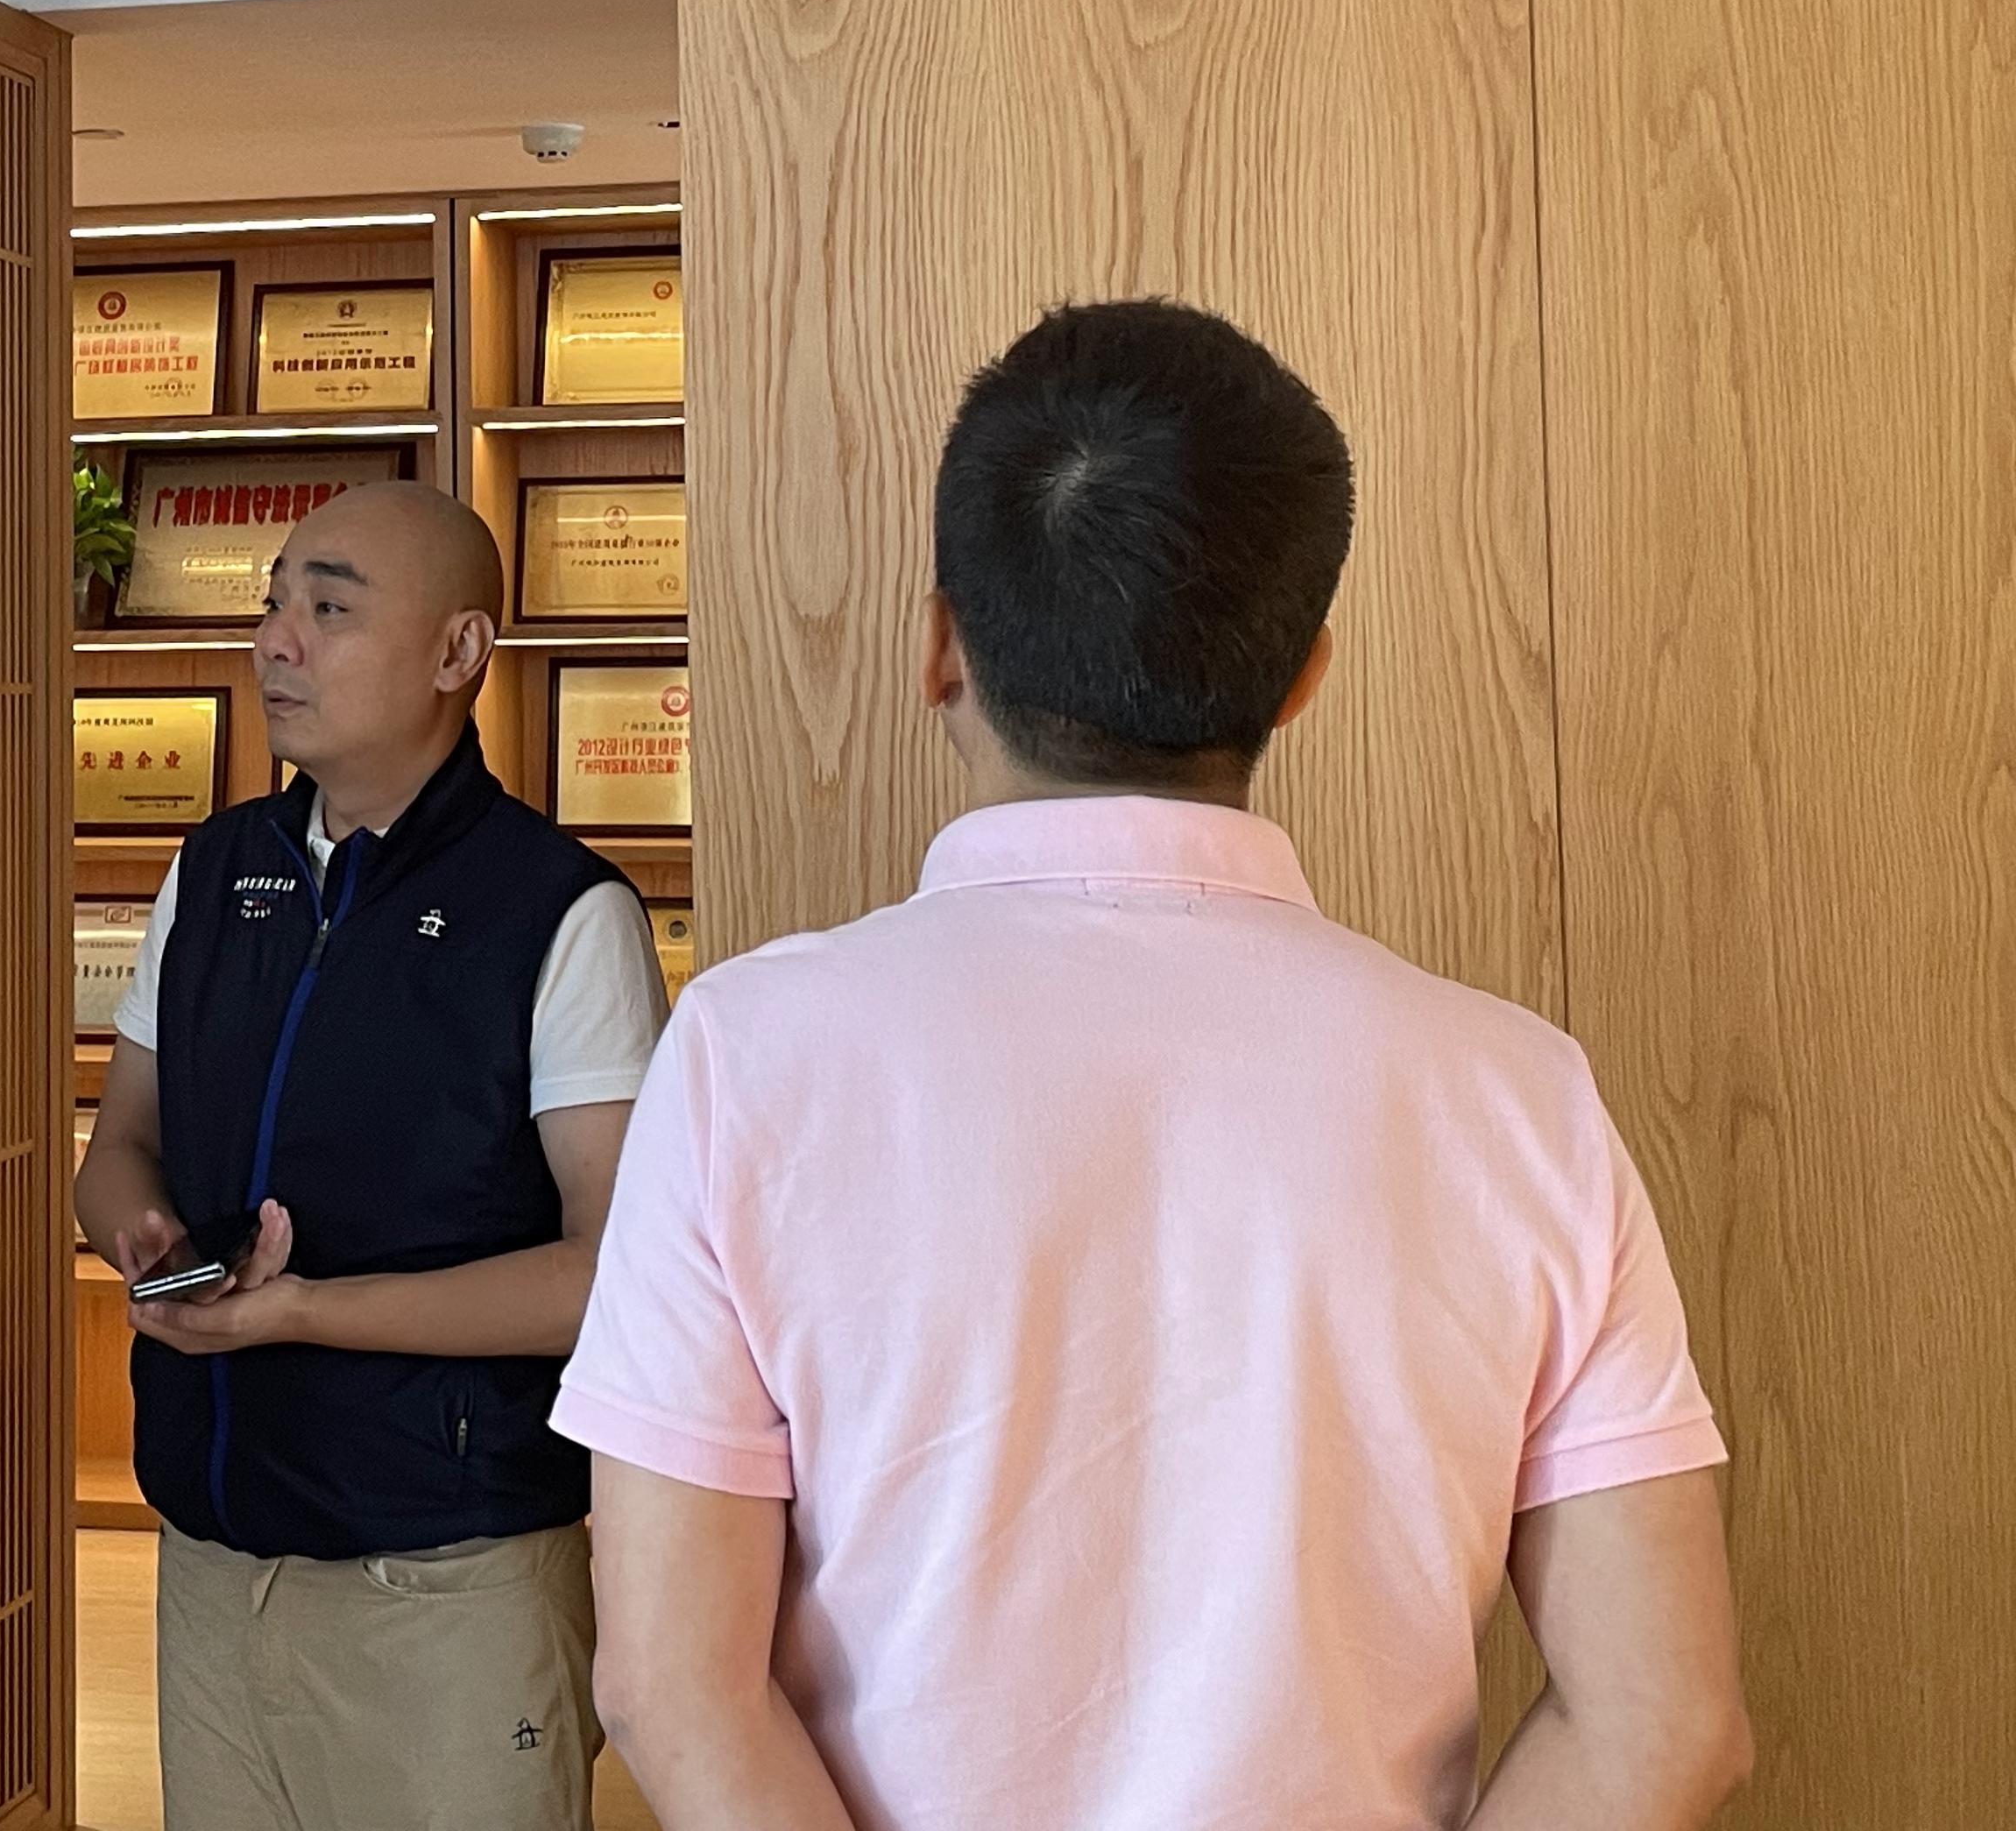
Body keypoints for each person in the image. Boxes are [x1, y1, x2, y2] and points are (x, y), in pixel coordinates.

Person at [562, 300, 1751, 1831]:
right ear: (1303, 673)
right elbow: (1665, 1722)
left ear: (939, 646)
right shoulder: (1518, 1096)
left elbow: (673, 1683)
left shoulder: (745, 1054)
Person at [71, 479, 671, 1831]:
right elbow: (118, 1149)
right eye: (273, 601)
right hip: (213, 1559)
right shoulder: (215, 870)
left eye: (329, 609)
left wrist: (305, 1312)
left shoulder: (559, 911)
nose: (276, 640)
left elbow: (612, 1274)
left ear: (459, 653)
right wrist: (145, 1239)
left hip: (449, 1578)